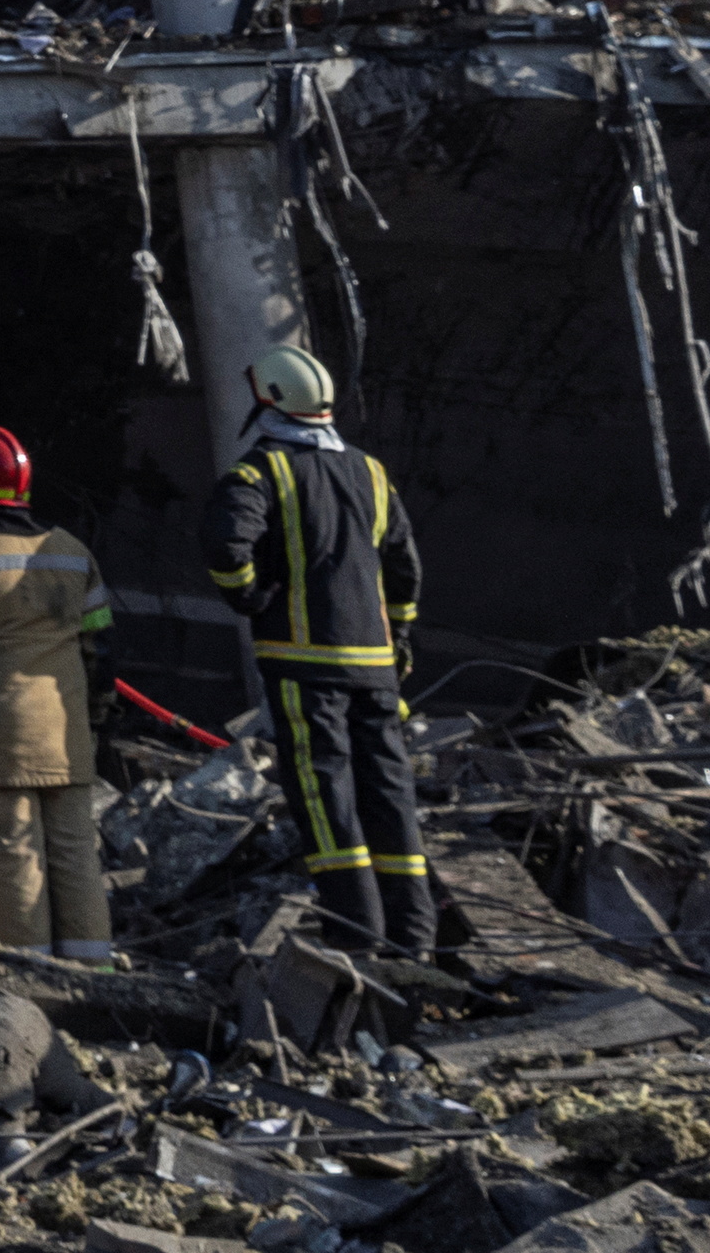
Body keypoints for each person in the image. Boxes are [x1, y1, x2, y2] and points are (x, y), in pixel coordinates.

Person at [204, 343, 435, 962]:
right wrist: (400, 639)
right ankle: (413, 939)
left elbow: (227, 550)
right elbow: (404, 567)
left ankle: (356, 935)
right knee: (388, 790)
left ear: (269, 402)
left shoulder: (260, 472)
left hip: (304, 664)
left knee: (324, 791)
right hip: (376, 666)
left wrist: (252, 598)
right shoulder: (371, 472)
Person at [0, 424, 126, 962]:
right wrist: (97, 719)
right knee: (76, 854)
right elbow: (102, 650)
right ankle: (91, 974)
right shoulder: (72, 552)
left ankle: (28, 978)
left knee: (13, 860)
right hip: (66, 732)